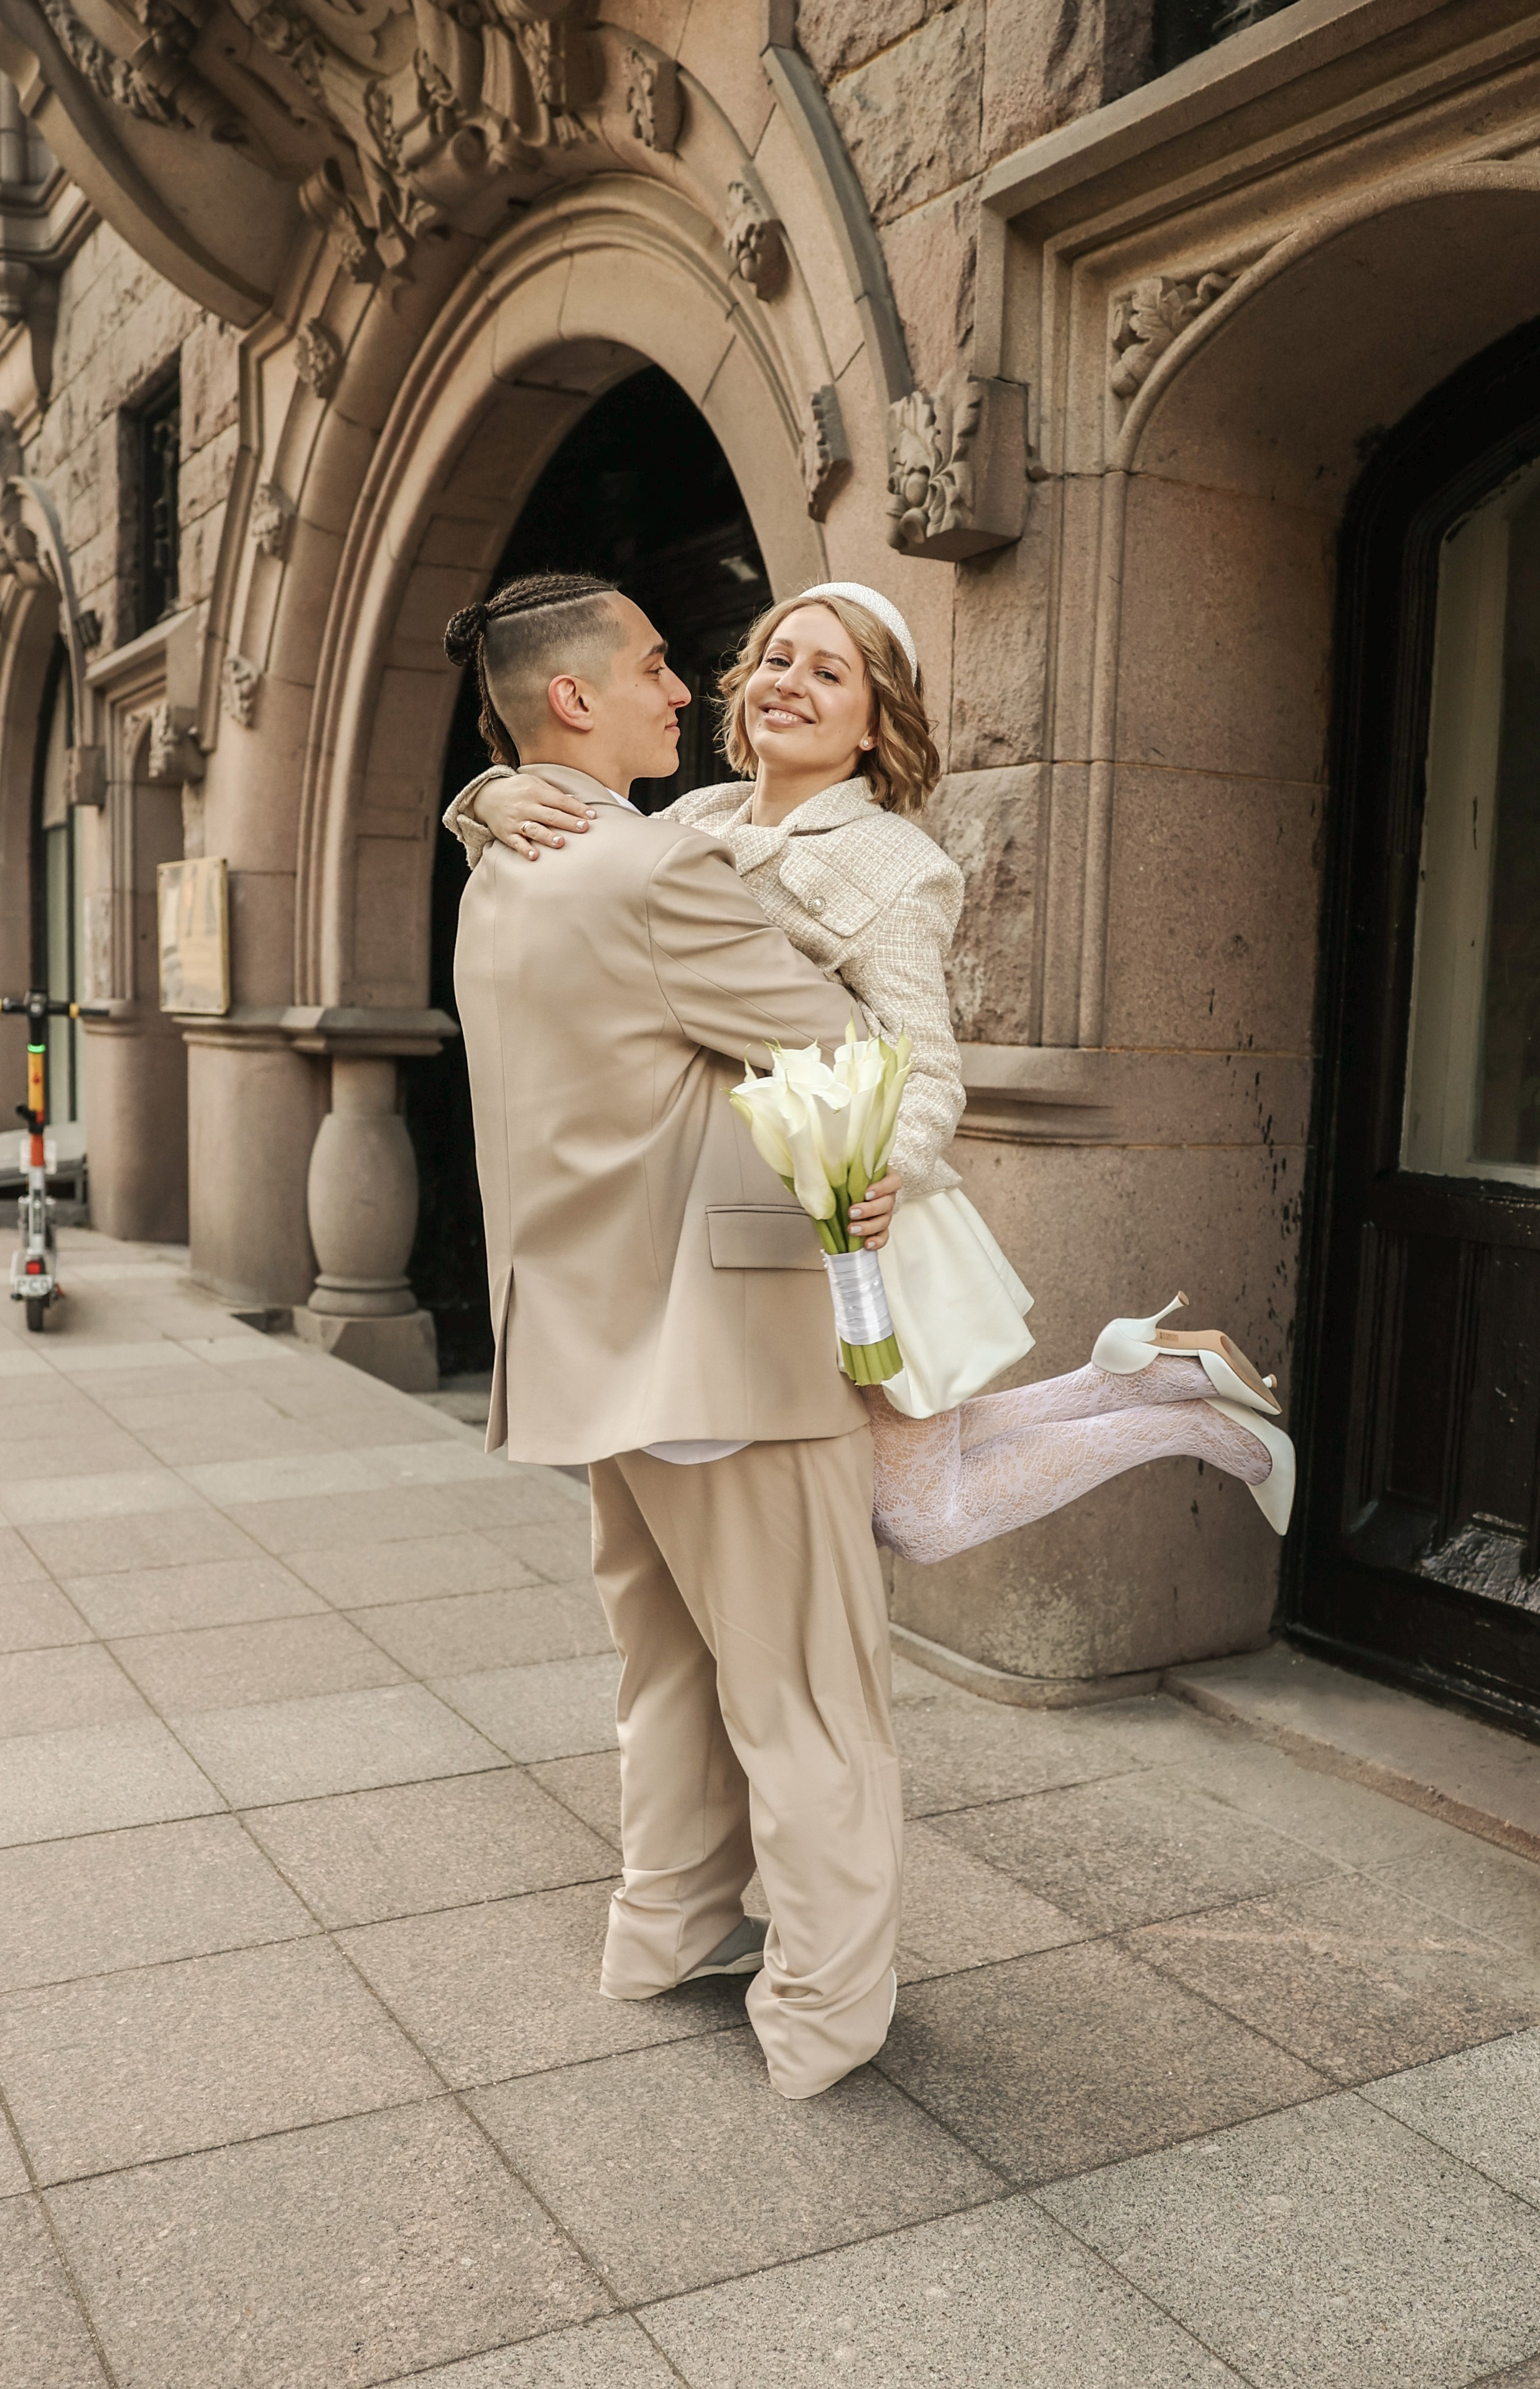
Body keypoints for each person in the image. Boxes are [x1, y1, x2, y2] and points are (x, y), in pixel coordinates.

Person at [450, 579, 1296, 1560]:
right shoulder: (691, 822)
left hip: (865, 1218)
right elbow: (572, 834)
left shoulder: (896, 864)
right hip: (762, 1226)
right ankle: (1146, 1373)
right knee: (898, 1489)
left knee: (919, 1517)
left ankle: (1200, 1425)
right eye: (776, 660)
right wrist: (490, 791)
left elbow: (924, 1066)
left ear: (872, 722)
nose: (791, 684)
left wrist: (878, 1170)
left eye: (829, 671)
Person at [442, 570, 906, 2102]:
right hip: (724, 1348)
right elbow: (841, 1051)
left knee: (668, 1676)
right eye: (653, 665)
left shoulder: (505, 863)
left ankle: (662, 1932)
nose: (683, 687)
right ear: (571, 698)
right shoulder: (650, 868)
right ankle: (823, 2022)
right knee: (809, 1696)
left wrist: (479, 799)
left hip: (590, 1349)